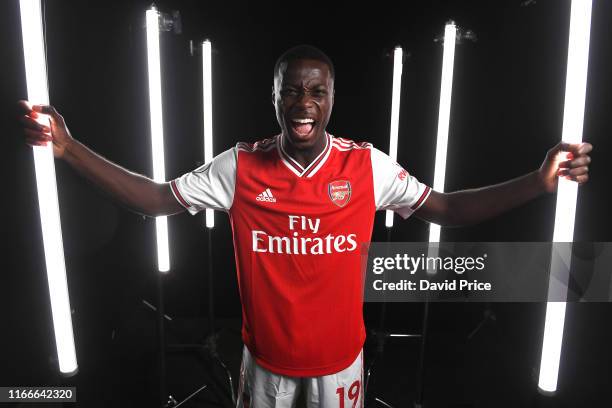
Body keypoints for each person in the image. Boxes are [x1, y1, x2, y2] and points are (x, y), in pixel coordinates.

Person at [18, 45, 592, 408]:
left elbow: (447, 208)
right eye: (291, 89)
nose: (304, 102)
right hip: (264, 363)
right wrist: (69, 150)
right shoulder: (240, 166)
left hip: (341, 363)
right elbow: (154, 200)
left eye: (316, 91)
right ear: (274, 95)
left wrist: (536, 184)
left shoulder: (366, 166)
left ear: (332, 98)